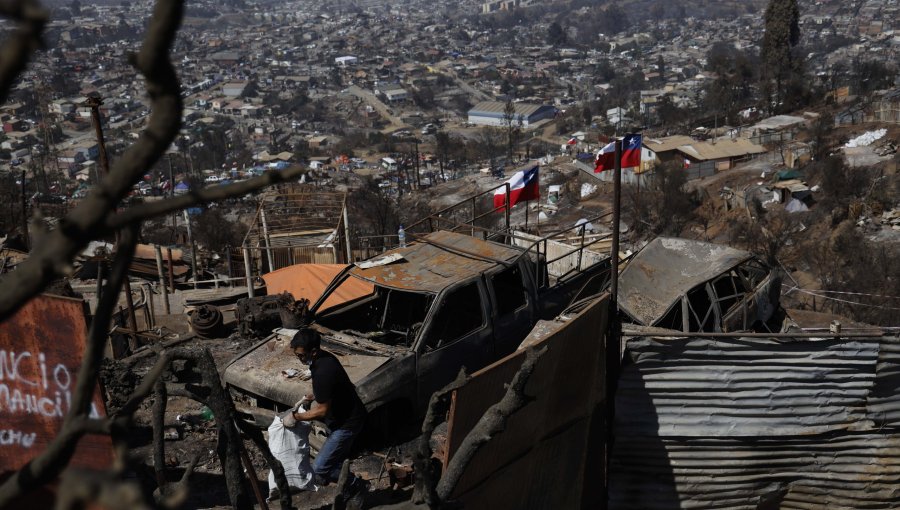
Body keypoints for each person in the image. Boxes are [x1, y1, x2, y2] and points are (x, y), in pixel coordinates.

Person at [283, 328, 368, 489]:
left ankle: (358, 487)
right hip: (342, 417)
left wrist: (295, 417)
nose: (299, 359)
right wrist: (316, 395)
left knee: (320, 470)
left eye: (301, 355)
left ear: (313, 351)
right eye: (297, 355)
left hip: (347, 424)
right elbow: (335, 387)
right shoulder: (325, 359)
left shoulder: (323, 371)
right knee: (334, 462)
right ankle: (349, 488)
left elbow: (322, 410)